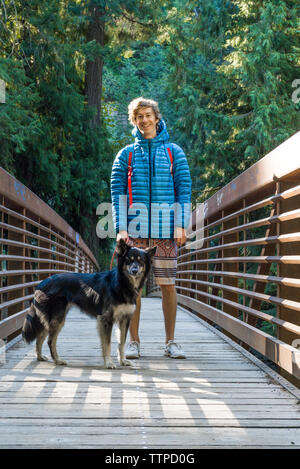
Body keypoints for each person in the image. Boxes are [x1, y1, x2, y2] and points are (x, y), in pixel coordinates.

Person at [110, 97, 191, 359]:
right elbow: (117, 193)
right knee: (134, 288)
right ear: (134, 121)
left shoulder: (173, 152)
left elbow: (184, 189)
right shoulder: (127, 155)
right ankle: (133, 342)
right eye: (138, 117)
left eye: (147, 115)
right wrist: (121, 228)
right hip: (135, 231)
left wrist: (180, 224)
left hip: (166, 230)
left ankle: (171, 342)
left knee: (168, 284)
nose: (144, 120)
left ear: (156, 118)